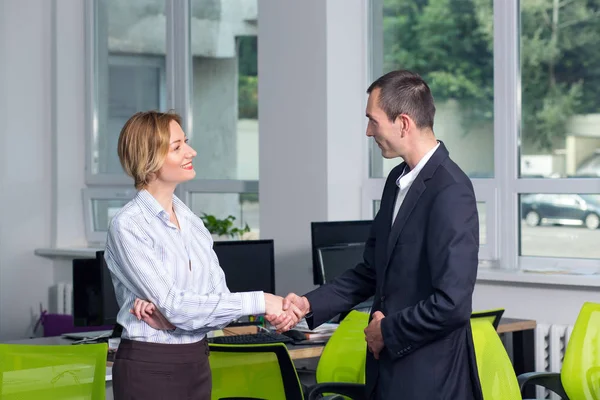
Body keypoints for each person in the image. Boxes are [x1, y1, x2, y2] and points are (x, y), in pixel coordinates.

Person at [269, 70, 484, 399]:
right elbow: (372, 270)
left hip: (431, 379)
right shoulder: (397, 180)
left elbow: (452, 304)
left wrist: (388, 330)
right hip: (388, 372)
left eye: (373, 121)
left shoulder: (451, 191)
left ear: (403, 123)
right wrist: (308, 304)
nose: (369, 131)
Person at [104, 111, 298, 400]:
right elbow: (176, 304)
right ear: (149, 158)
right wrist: (261, 300)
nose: (191, 152)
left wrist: (177, 318)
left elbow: (215, 303)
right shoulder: (129, 225)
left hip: (197, 362)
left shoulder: (192, 223)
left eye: (187, 142)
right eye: (177, 146)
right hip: (150, 366)